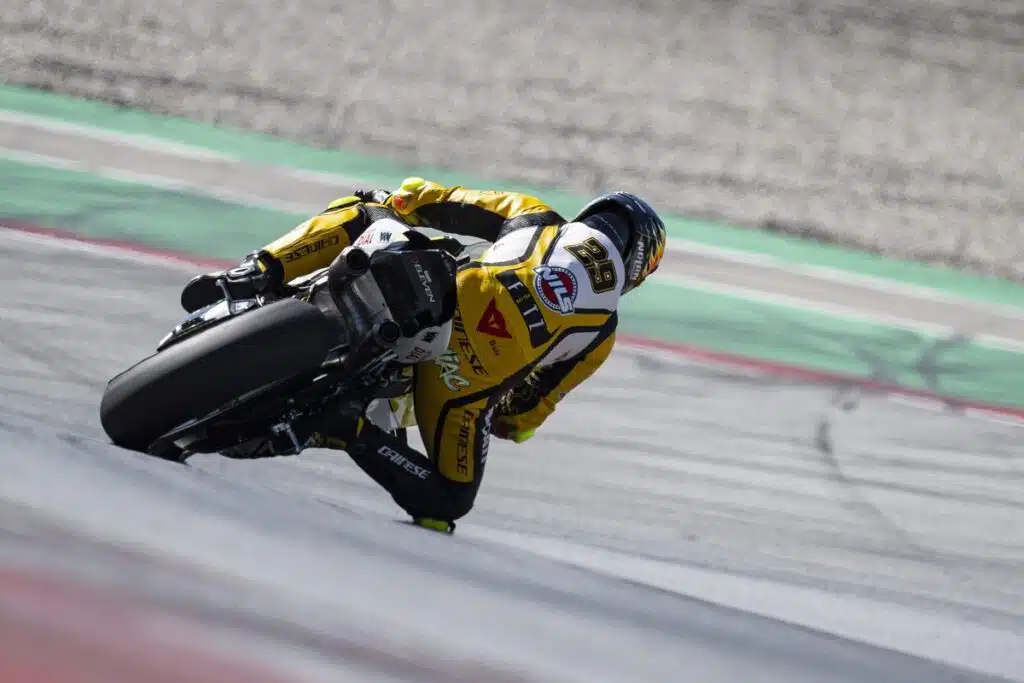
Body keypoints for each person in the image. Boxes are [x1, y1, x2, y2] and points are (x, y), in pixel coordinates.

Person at [180, 178, 667, 532]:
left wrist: (390, 203)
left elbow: (427, 200)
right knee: (448, 501)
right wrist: (506, 413)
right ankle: (347, 427)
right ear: (637, 270)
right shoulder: (601, 333)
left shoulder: (535, 216)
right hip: (459, 383)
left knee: (365, 210)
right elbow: (523, 414)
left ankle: (254, 272)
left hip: (444, 295)